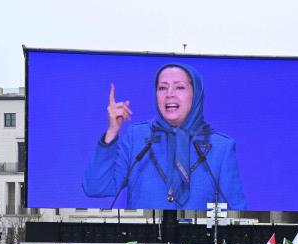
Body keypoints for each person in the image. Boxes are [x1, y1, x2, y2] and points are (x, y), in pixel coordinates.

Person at [83, 63, 247, 210]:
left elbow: (237, 215)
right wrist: (112, 131)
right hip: (144, 242)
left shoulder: (220, 147)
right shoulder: (137, 138)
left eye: (179, 87)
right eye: (162, 88)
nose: (169, 94)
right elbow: (95, 187)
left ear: (195, 94)